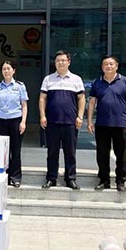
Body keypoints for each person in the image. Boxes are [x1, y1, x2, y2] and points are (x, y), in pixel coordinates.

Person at [87, 55, 126, 192]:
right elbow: (92, 102)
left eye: (111, 64)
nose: (108, 66)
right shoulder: (97, 82)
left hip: (120, 124)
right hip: (102, 124)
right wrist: (89, 121)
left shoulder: (125, 81)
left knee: (120, 154)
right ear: (102, 67)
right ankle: (104, 180)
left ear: (116, 66)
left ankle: (120, 181)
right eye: (105, 64)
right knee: (102, 154)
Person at [39, 51, 86, 190]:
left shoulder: (76, 79)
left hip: (70, 122)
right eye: (58, 60)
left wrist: (80, 116)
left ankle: (70, 178)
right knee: (52, 152)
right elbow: (42, 98)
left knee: (70, 152)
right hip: (52, 122)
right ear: (55, 63)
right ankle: (51, 178)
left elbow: (81, 99)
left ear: (69, 62)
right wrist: (42, 115)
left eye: (63, 60)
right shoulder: (48, 79)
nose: (60, 63)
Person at [0, 61, 28, 188]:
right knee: (2, 150)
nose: (6, 71)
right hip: (1, 121)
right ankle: (4, 176)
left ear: (13, 70)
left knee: (15, 150)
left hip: (15, 120)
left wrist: (23, 122)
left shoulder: (20, 86)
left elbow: (24, 105)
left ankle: (15, 177)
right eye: (4, 69)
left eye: (8, 68)